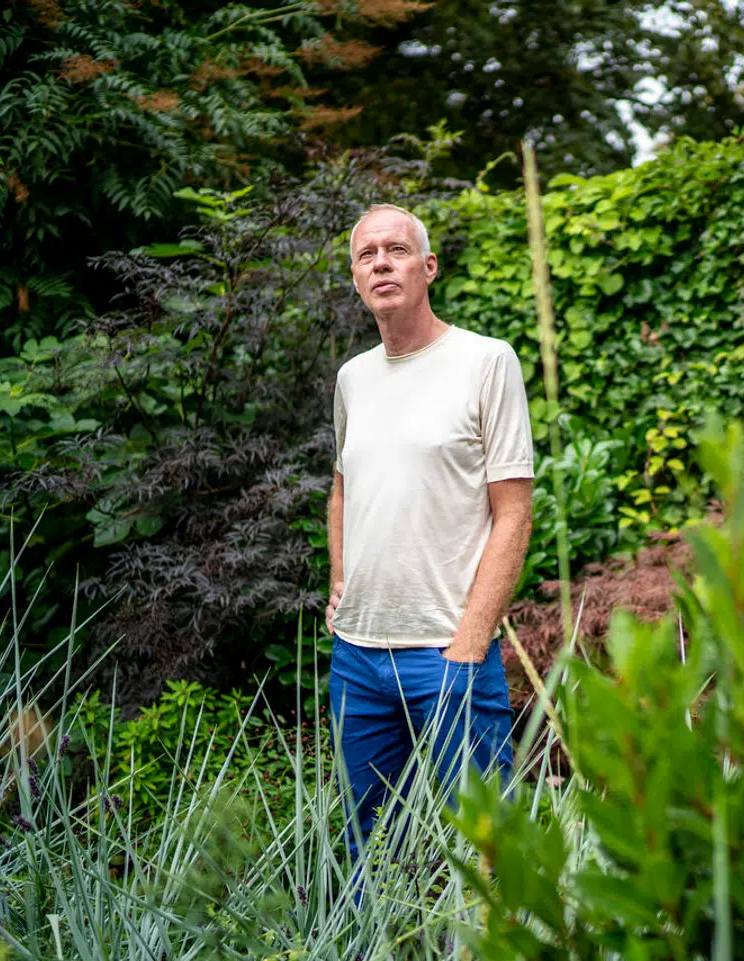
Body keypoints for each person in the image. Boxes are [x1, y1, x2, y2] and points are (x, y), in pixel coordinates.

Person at [325, 203, 534, 865]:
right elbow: (343, 486)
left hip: (447, 654)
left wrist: (470, 642)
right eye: (367, 255)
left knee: (491, 852)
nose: (381, 262)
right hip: (357, 659)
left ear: (428, 266)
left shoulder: (485, 361)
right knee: (370, 852)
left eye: (397, 249)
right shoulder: (353, 379)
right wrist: (340, 582)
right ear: (357, 278)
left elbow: (514, 513)